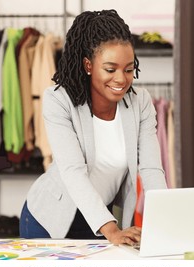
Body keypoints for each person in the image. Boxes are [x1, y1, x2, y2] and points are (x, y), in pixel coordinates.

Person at [19, 9, 167, 246]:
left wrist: (165, 222)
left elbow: (151, 169)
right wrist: (112, 230)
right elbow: (73, 171)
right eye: (110, 69)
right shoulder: (59, 100)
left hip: (102, 218)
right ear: (88, 65)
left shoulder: (140, 103)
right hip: (50, 220)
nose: (121, 79)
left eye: (129, 69)